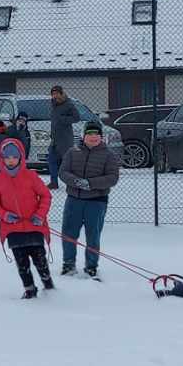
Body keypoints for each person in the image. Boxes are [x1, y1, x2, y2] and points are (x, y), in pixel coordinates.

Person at [0, 136, 53, 298]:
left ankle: (48, 285)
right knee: (22, 262)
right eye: (7, 157)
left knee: (40, 259)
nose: (11, 160)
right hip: (13, 229)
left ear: (21, 157)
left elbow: (46, 196)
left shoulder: (31, 176)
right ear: (2, 158)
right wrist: (5, 215)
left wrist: (39, 215)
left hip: (34, 226)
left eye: (14, 157)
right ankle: (30, 289)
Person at [57, 119, 121, 277]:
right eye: (90, 134)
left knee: (93, 235)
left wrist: (91, 184)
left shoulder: (109, 155)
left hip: (96, 202)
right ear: (83, 136)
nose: (93, 137)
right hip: (74, 200)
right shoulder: (72, 152)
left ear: (101, 136)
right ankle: (68, 264)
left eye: (96, 134)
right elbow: (63, 172)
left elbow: (112, 178)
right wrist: (77, 182)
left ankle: (91, 266)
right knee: (69, 233)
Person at [45, 87, 74, 190]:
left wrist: (63, 119)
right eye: (53, 94)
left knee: (66, 163)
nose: (55, 96)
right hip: (54, 139)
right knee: (51, 160)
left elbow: (76, 117)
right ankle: (54, 183)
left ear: (62, 94)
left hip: (65, 140)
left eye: (57, 93)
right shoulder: (53, 104)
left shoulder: (69, 104)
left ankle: (69, 184)